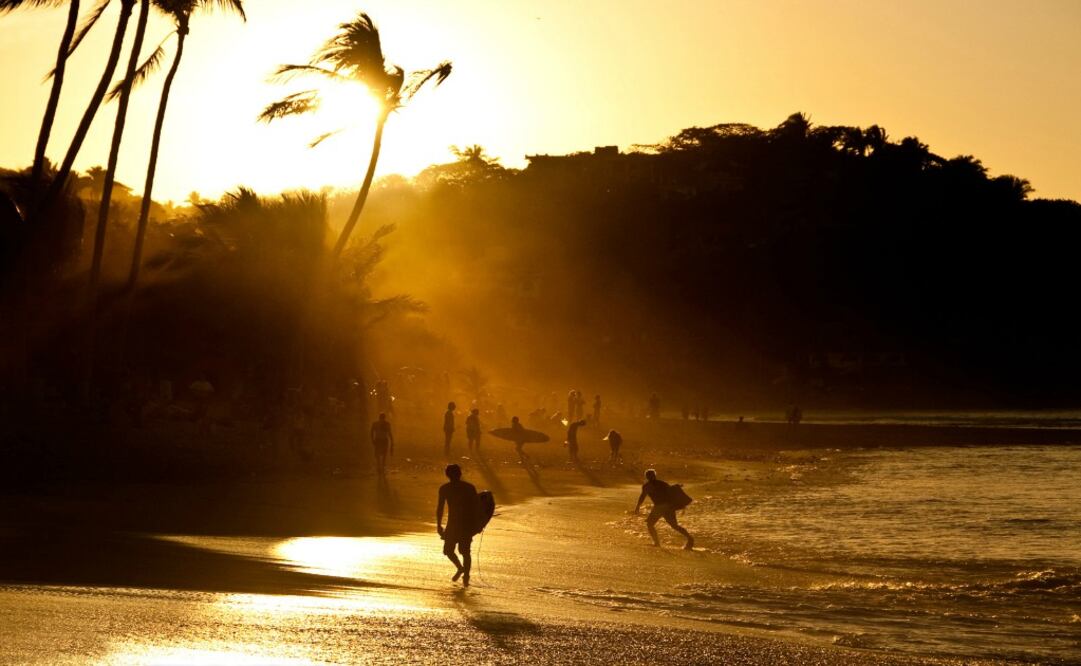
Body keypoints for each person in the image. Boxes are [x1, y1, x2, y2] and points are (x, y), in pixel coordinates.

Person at [436, 463, 478, 586]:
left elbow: (440, 508)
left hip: (458, 524)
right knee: (457, 551)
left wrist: (439, 525)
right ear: (460, 473)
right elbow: (477, 507)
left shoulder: (445, 488)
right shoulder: (469, 487)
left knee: (457, 551)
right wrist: (477, 525)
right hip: (463, 525)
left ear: (447, 475)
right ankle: (463, 571)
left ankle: (465, 574)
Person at [634, 469, 694, 550]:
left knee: (650, 524)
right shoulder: (662, 483)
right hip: (669, 506)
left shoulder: (647, 486)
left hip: (659, 507)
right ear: (654, 475)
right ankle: (690, 538)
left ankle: (656, 543)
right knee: (674, 525)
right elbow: (672, 491)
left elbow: (642, 496)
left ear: (647, 477)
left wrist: (637, 507)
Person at [370, 412, 394, 476]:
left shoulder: (378, 424)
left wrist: (372, 440)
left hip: (381, 440)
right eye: (382, 418)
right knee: (380, 454)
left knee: (381, 454)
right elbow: (371, 432)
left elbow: (371, 432)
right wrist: (392, 442)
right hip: (380, 440)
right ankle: (380, 467)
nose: (382, 419)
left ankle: (381, 467)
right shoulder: (381, 424)